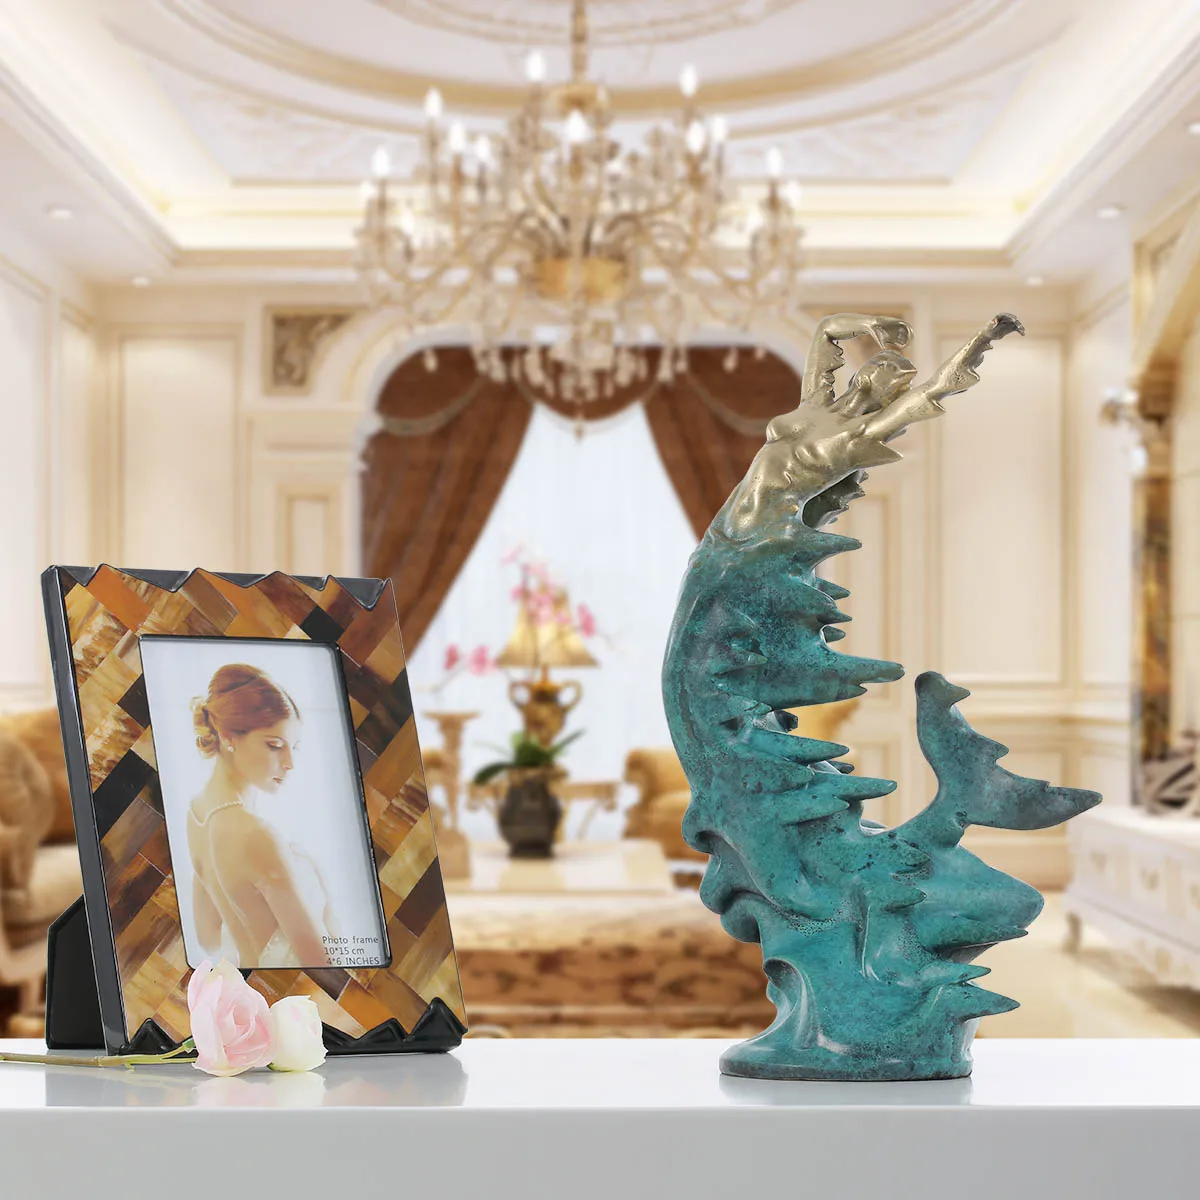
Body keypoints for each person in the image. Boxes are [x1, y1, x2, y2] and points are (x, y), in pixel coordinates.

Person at [186, 663, 332, 968]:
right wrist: (317, 879)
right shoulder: (255, 834)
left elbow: (208, 936)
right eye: (275, 746)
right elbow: (324, 965)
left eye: (293, 747)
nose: (290, 763)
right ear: (228, 736)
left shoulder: (198, 812)